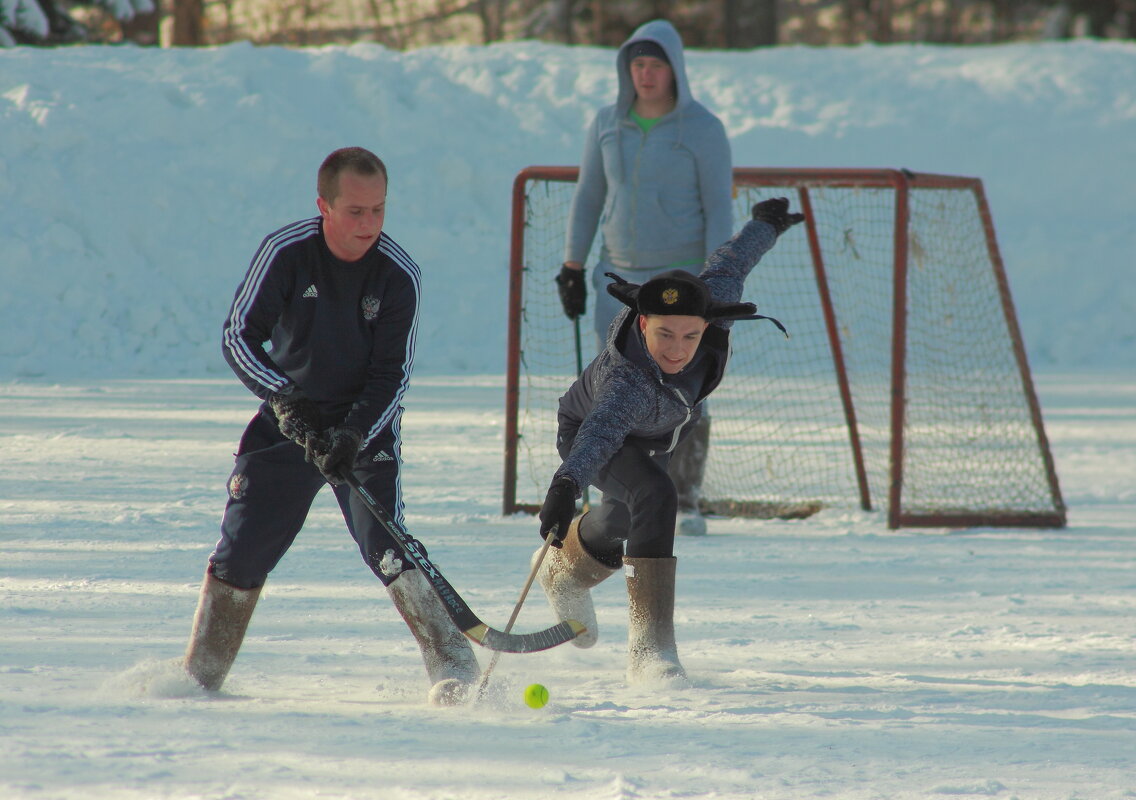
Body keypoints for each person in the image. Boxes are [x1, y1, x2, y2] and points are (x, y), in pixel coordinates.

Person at [182, 146, 479, 704]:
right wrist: (288, 404)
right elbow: (238, 337)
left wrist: (352, 435)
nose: (369, 225)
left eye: (379, 210)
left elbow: (393, 374)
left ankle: (456, 668)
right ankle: (200, 678)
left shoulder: (398, 274)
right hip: (289, 422)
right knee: (241, 551)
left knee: (385, 543)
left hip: (362, 428)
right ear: (324, 205)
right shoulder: (287, 253)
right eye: (355, 211)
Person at [536, 198, 804, 685]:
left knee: (628, 516)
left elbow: (731, 260)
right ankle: (650, 649)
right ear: (643, 322)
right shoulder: (628, 381)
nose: (677, 349)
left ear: (707, 324)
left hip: (656, 436)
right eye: (664, 335)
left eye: (689, 336)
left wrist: (764, 225)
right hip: (590, 431)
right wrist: (564, 485)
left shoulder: (712, 306)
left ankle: (565, 570)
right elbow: (599, 434)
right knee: (656, 494)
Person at [555, 18, 734, 537]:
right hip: (619, 282)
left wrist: (714, 287)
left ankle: (683, 496)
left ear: (675, 69)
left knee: (682, 390)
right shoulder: (607, 122)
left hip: (683, 286)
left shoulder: (702, 129)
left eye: (656, 64)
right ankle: (615, 497)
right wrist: (572, 264)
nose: (646, 74)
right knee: (615, 390)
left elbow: (718, 208)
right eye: (637, 64)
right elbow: (589, 196)